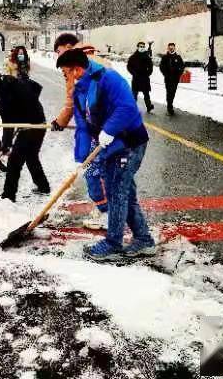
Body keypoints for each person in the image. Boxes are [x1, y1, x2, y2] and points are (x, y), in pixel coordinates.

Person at [56, 48, 156, 262]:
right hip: (110, 146)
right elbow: (83, 126)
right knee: (123, 191)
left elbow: (128, 107)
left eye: (66, 73)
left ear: (77, 70)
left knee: (117, 191)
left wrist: (108, 130)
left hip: (129, 142)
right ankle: (143, 239)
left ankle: (113, 243)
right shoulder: (79, 90)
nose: (65, 77)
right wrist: (82, 158)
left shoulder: (108, 78)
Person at [51, 33, 109, 229]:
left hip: (97, 128)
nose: (58, 57)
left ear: (68, 46)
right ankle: (105, 209)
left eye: (59, 51)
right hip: (97, 126)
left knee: (93, 171)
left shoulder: (82, 65)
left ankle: (106, 213)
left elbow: (76, 100)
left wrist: (61, 121)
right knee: (100, 171)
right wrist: (61, 121)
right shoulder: (92, 58)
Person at [0, 69, 50, 202]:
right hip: (39, 122)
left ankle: (8, 196)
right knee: (31, 156)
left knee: (14, 160)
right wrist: (26, 110)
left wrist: (6, 144)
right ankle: (43, 187)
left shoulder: (2, 91)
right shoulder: (15, 80)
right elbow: (36, 88)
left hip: (29, 127)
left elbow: (8, 120)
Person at [126, 42, 154, 113]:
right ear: (137, 47)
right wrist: (133, 73)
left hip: (145, 78)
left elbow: (150, 66)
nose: (142, 48)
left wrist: (148, 73)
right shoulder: (133, 57)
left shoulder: (147, 56)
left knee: (146, 94)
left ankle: (149, 106)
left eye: (143, 46)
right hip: (136, 78)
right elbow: (129, 66)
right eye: (140, 46)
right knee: (134, 94)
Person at [159, 42, 185, 116]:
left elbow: (182, 67)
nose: (171, 48)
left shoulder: (178, 57)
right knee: (169, 93)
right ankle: (169, 107)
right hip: (167, 79)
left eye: (172, 47)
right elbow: (161, 67)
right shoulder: (165, 57)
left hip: (175, 79)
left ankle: (170, 104)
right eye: (170, 47)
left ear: (174, 48)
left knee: (172, 93)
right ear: (168, 48)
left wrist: (178, 74)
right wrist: (165, 74)